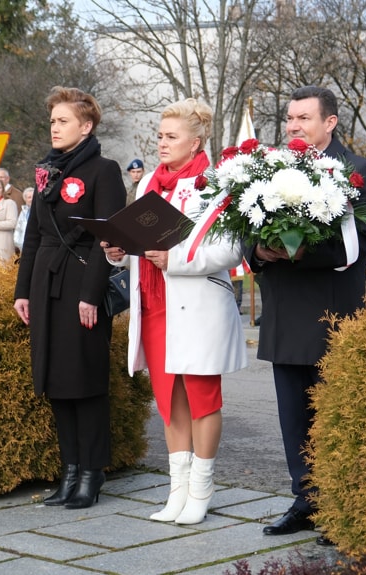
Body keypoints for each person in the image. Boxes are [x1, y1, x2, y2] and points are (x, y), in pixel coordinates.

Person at [244, 86, 366, 540]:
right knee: (292, 418)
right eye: (289, 119)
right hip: (284, 315)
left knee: (333, 416)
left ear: (330, 122)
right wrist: (261, 251)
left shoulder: (357, 171)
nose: (294, 126)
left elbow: (363, 243)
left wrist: (299, 251)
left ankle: (341, 505)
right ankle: (305, 500)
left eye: (303, 118)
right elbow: (244, 229)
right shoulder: (268, 170)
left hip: (331, 314)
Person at [103, 98, 246, 526]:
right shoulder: (148, 182)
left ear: (195, 141)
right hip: (155, 305)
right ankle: (177, 490)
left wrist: (177, 260)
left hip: (198, 304)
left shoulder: (217, 183)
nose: (162, 143)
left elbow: (231, 249)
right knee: (169, 401)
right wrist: (117, 252)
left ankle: (202, 487)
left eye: (171, 137)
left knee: (202, 398)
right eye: (160, 136)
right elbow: (138, 239)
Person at [14, 86, 126, 510]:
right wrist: (23, 290)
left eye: (62, 121)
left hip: (81, 281)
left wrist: (91, 293)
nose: (54, 128)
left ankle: (92, 473)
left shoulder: (105, 170)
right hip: (45, 283)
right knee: (57, 381)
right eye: (52, 121)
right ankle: (70, 470)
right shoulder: (46, 170)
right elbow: (35, 235)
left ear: (86, 125)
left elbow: (108, 235)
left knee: (85, 379)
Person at [13, 186, 34, 252]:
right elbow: (18, 228)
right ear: (25, 199)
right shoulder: (23, 212)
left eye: (33, 197)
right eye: (29, 197)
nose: (31, 199)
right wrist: (17, 242)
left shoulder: (41, 211)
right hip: (24, 244)